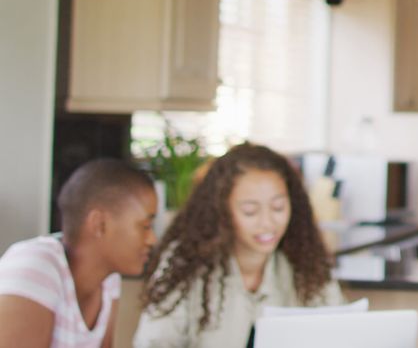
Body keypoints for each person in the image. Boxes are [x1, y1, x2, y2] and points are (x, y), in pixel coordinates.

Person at [134, 143, 344, 347]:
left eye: (278, 208)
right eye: (250, 211)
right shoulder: (184, 262)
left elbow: (340, 333)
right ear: (222, 211)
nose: (267, 223)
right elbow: (153, 342)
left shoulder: (307, 265)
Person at [0, 159, 158, 348]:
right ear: (99, 224)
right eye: (145, 226)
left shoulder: (108, 280)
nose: (152, 239)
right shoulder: (35, 267)